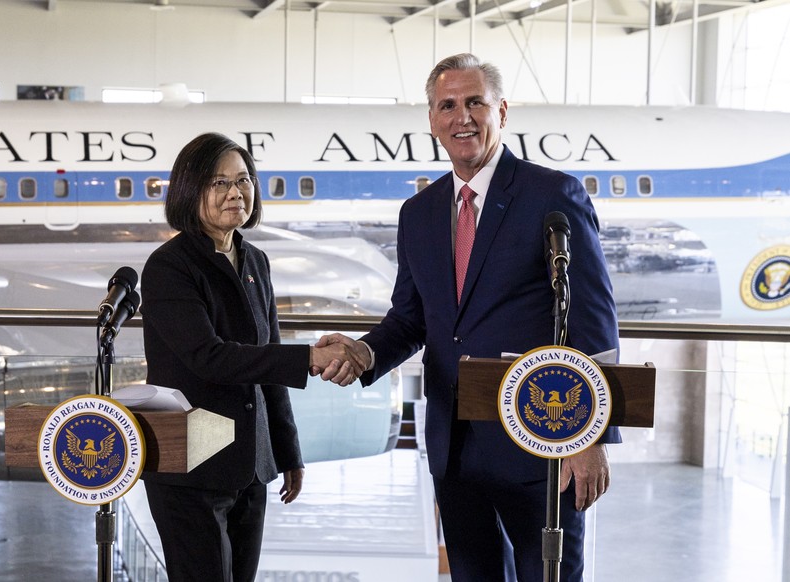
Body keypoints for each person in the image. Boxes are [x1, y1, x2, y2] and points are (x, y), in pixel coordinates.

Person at [315, 53, 621, 582]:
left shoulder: (552, 194)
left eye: (475, 102)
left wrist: (588, 436)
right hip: (455, 449)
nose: (463, 117)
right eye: (448, 106)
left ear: (501, 111)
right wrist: (364, 352)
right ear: (432, 122)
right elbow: (412, 319)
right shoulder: (420, 213)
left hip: (540, 443)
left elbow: (591, 320)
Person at [139, 132, 365, 582]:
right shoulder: (169, 267)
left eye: (243, 180)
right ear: (190, 190)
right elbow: (210, 358)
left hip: (249, 466)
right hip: (191, 467)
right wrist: (309, 359)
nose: (234, 192)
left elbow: (267, 363)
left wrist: (288, 454)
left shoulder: (255, 261)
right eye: (218, 183)